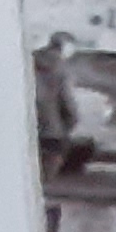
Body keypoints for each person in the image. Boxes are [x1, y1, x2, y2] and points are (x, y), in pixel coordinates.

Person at [31, 33, 97, 178]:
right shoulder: (60, 70)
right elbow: (66, 101)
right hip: (52, 132)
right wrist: (70, 123)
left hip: (29, 127)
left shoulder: (28, 63)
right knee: (45, 174)